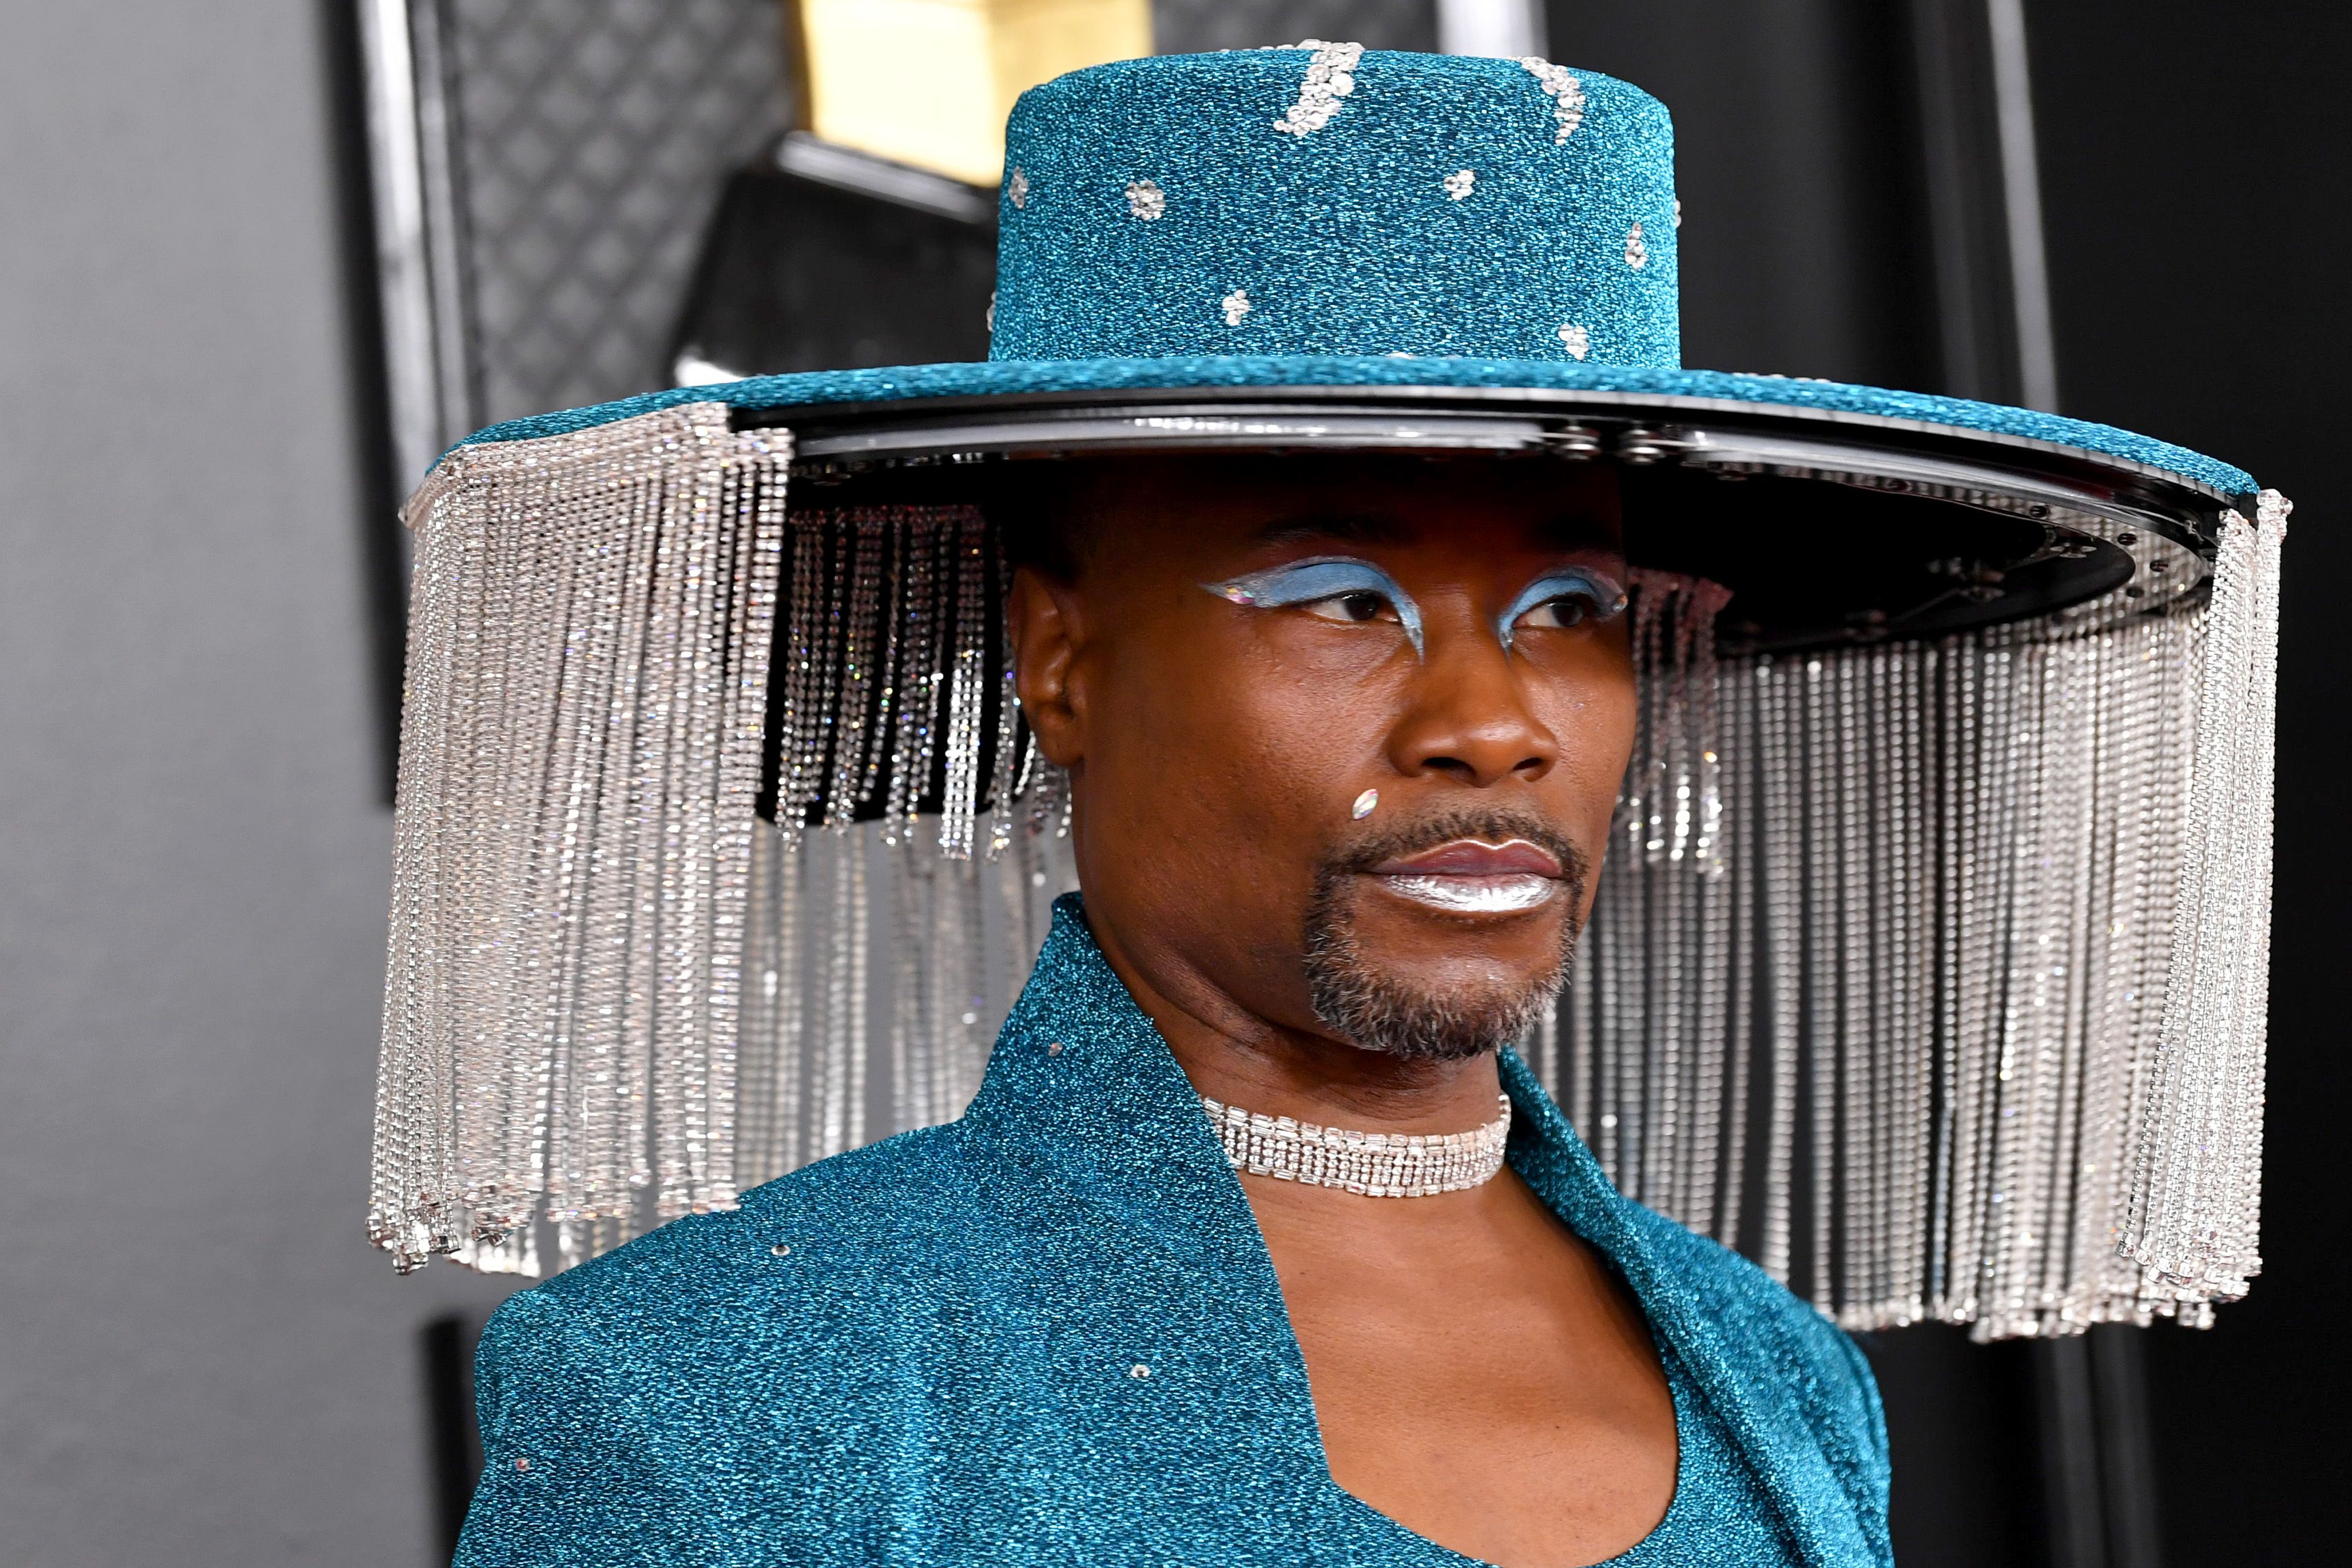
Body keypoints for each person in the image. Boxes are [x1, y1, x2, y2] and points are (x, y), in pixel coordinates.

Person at [380, 45, 2280, 1568]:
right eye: (1337, 598)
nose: (1491, 720)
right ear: (1063, 661)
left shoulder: (1783, 1385)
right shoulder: (717, 1394)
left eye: (1573, 611)